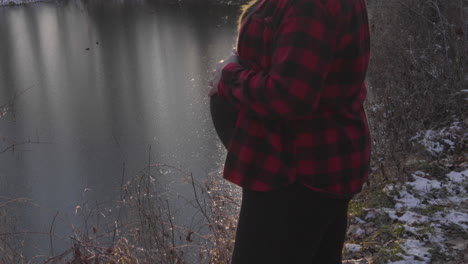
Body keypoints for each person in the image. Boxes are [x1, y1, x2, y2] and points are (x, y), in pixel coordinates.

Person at [208, 0, 371, 262]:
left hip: (295, 176)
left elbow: (289, 96)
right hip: (307, 167)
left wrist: (229, 76)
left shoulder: (308, 5)